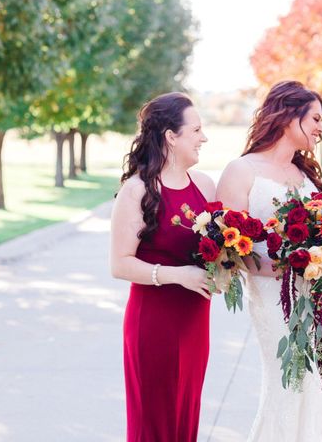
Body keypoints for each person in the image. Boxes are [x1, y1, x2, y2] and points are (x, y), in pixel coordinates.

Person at [216, 81, 322, 441]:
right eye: (316, 118)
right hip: (272, 298)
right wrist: (278, 267)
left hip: (315, 296)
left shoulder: (306, 177)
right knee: (288, 382)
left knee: (319, 384)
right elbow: (229, 250)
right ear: (289, 117)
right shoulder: (241, 171)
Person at [110, 92, 215, 442]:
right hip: (153, 323)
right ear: (172, 136)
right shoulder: (138, 190)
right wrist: (177, 276)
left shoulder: (204, 185)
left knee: (186, 415)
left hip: (195, 322)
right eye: (196, 129)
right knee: (154, 422)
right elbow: (120, 264)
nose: (204, 137)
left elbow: (218, 248)